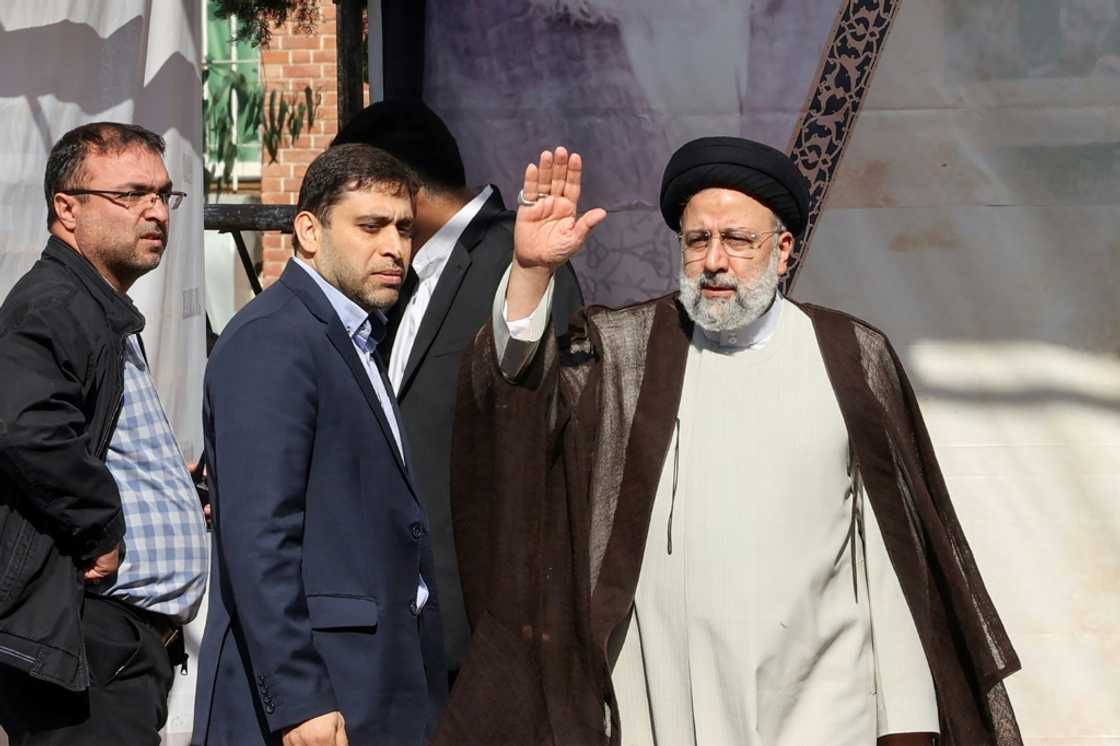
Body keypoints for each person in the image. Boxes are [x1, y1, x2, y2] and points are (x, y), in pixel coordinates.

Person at [438, 139, 1023, 745]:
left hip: (821, 711)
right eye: (697, 241)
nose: (715, 260)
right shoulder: (626, 353)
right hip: (665, 704)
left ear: (783, 250)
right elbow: (522, 410)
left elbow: (895, 559)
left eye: (737, 241)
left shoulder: (849, 355)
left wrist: (907, 724)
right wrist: (533, 275)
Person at [192, 144, 446, 746]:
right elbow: (259, 538)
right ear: (308, 230)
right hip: (315, 701)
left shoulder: (349, 334)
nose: (394, 247)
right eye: (370, 226)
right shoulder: (274, 340)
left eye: (404, 228)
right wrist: (300, 696)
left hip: (370, 684)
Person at [331, 99, 583, 682]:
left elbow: (551, 418)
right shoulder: (394, 278)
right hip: (403, 630)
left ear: (397, 188)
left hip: (488, 634)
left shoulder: (519, 262)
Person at [0, 122, 209, 745]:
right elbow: (25, 428)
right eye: (131, 194)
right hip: (91, 642)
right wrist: (100, 526)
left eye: (164, 196)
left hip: (119, 649)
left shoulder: (96, 308)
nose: (155, 212)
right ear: (67, 208)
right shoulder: (56, 304)